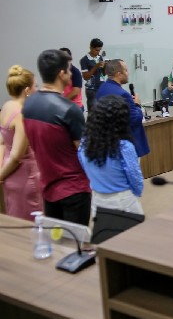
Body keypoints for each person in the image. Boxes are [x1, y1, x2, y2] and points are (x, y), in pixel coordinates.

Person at [23, 49, 91, 225]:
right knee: (74, 239)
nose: (71, 73)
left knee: (55, 237)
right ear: (61, 74)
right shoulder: (69, 110)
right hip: (74, 189)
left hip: (48, 186)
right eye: (69, 70)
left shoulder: (28, 104)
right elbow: (85, 152)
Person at [78, 95, 143, 217]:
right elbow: (135, 177)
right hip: (123, 200)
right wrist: (136, 193)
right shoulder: (124, 147)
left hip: (97, 200)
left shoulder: (84, 144)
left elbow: (84, 167)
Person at [0, 65, 43, 220]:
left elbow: (2, 142)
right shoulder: (22, 114)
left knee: (13, 219)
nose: (37, 89)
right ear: (27, 90)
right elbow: (16, 156)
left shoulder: (6, 107)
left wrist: (2, 172)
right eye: (35, 86)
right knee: (30, 224)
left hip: (8, 174)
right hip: (25, 176)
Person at [96, 60, 150, 158]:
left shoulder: (102, 88)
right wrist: (137, 104)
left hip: (109, 142)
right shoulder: (123, 94)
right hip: (126, 144)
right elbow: (134, 119)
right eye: (126, 70)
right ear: (119, 74)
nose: (128, 73)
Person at [79, 37, 105, 110]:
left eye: (99, 50)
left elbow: (103, 74)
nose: (98, 52)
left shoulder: (100, 57)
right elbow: (86, 77)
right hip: (92, 89)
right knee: (93, 111)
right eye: (96, 50)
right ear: (91, 48)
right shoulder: (84, 60)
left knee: (103, 110)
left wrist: (106, 67)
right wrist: (96, 66)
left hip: (101, 87)